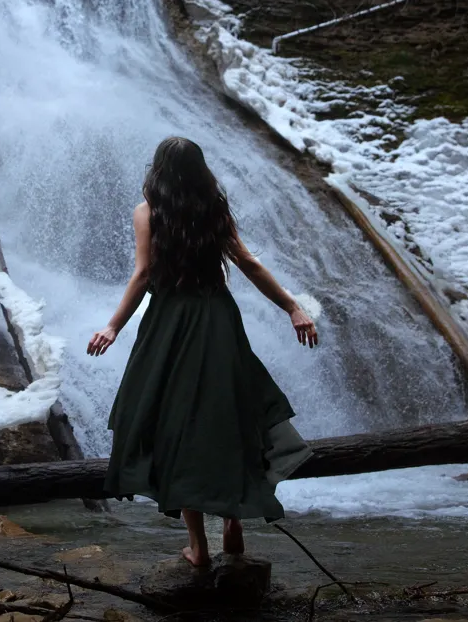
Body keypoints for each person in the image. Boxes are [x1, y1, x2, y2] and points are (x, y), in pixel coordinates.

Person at [87, 136, 318, 567]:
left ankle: (199, 547)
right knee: (229, 415)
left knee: (173, 423)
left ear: (158, 171)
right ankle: (233, 519)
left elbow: (143, 275)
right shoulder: (214, 209)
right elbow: (248, 263)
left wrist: (113, 326)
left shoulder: (147, 213)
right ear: (200, 170)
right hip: (217, 319)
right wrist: (292, 308)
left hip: (169, 323)